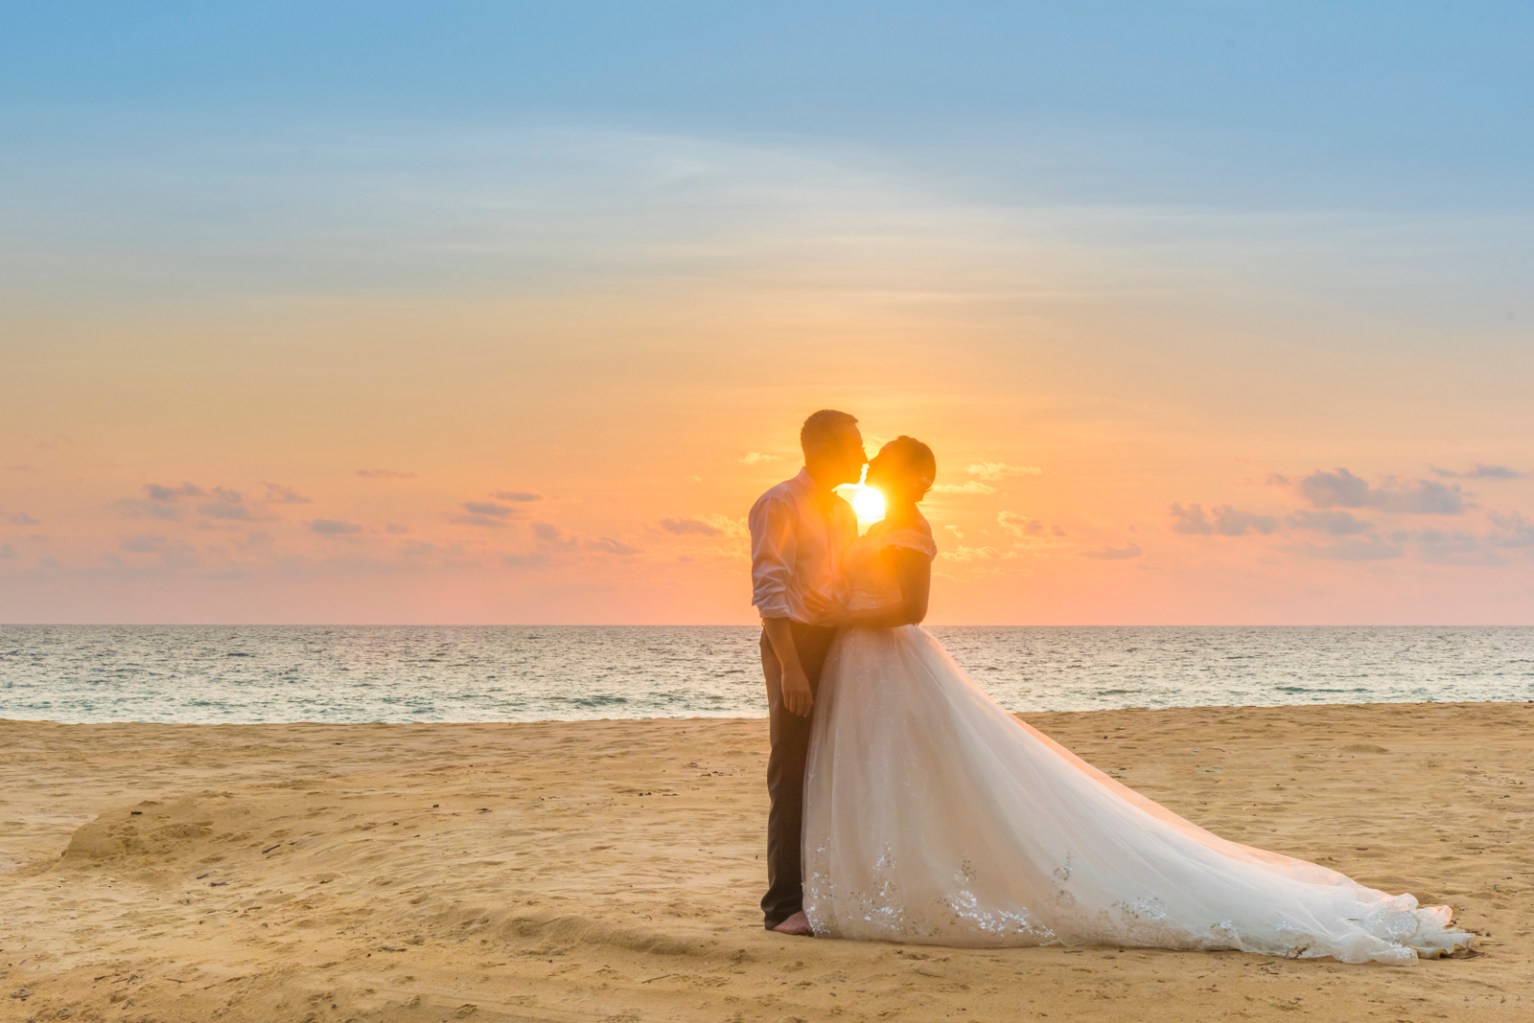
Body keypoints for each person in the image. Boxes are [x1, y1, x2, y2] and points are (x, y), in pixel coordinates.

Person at [799, 435, 1474, 963]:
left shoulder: (908, 527)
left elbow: (911, 606)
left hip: (888, 657)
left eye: (886, 461)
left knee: (921, 772)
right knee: (885, 776)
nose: (874, 468)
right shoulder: (873, 521)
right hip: (860, 667)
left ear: (914, 476)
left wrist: (842, 615)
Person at [747, 409, 866, 934]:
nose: (864, 456)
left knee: (832, 767)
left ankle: (822, 890)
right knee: (791, 769)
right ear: (823, 448)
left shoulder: (844, 512)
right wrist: (791, 668)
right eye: (855, 445)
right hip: (792, 644)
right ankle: (781, 907)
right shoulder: (780, 502)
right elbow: (769, 589)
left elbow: (843, 584)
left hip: (836, 644)